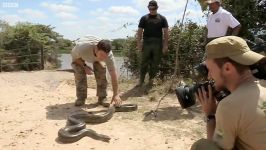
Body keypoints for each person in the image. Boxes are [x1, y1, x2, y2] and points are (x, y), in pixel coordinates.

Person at [191, 36, 266, 150]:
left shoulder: (229, 105)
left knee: (201, 146)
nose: (209, 76)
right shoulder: (263, 86)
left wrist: (210, 115)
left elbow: (217, 147)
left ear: (227, 68)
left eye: (210, 69)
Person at [71, 36, 122, 107]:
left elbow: (113, 74)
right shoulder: (82, 48)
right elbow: (75, 59)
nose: (103, 58)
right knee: (79, 72)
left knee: (101, 68)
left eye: (105, 56)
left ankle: (102, 97)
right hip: (79, 58)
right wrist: (85, 66)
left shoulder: (109, 55)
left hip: (94, 56)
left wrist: (115, 94)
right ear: (96, 48)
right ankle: (81, 98)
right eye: (101, 55)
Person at [136, 0, 169, 86]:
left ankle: (151, 80)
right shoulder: (144, 18)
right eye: (149, 8)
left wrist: (165, 45)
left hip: (158, 42)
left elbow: (166, 32)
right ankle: (141, 80)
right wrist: (139, 43)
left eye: (153, 8)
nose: (151, 10)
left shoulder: (162, 18)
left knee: (155, 62)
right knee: (144, 62)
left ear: (156, 8)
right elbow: (139, 31)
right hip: (146, 42)